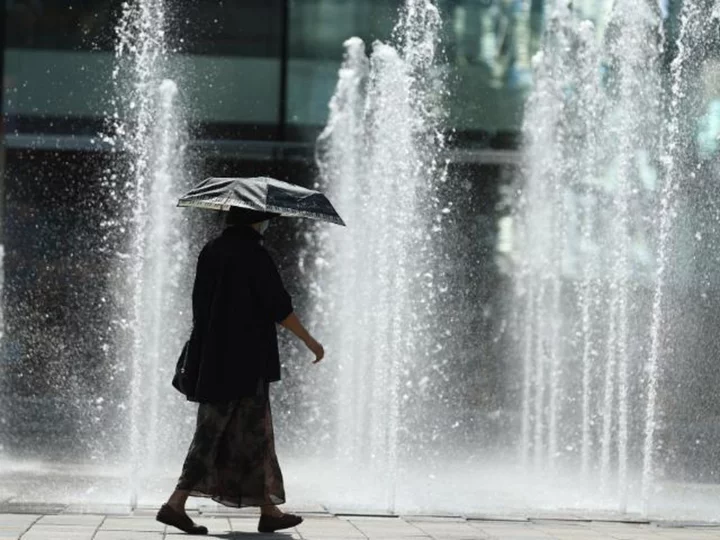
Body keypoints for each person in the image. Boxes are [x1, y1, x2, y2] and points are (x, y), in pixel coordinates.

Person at [156, 207, 325, 535]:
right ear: (255, 221)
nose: (267, 225)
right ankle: (175, 504)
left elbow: (201, 304)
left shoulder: (211, 250)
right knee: (214, 435)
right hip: (244, 362)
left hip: (212, 360)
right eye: (265, 220)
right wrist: (311, 342)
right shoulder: (254, 255)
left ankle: (269, 511)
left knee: (249, 436)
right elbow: (280, 307)